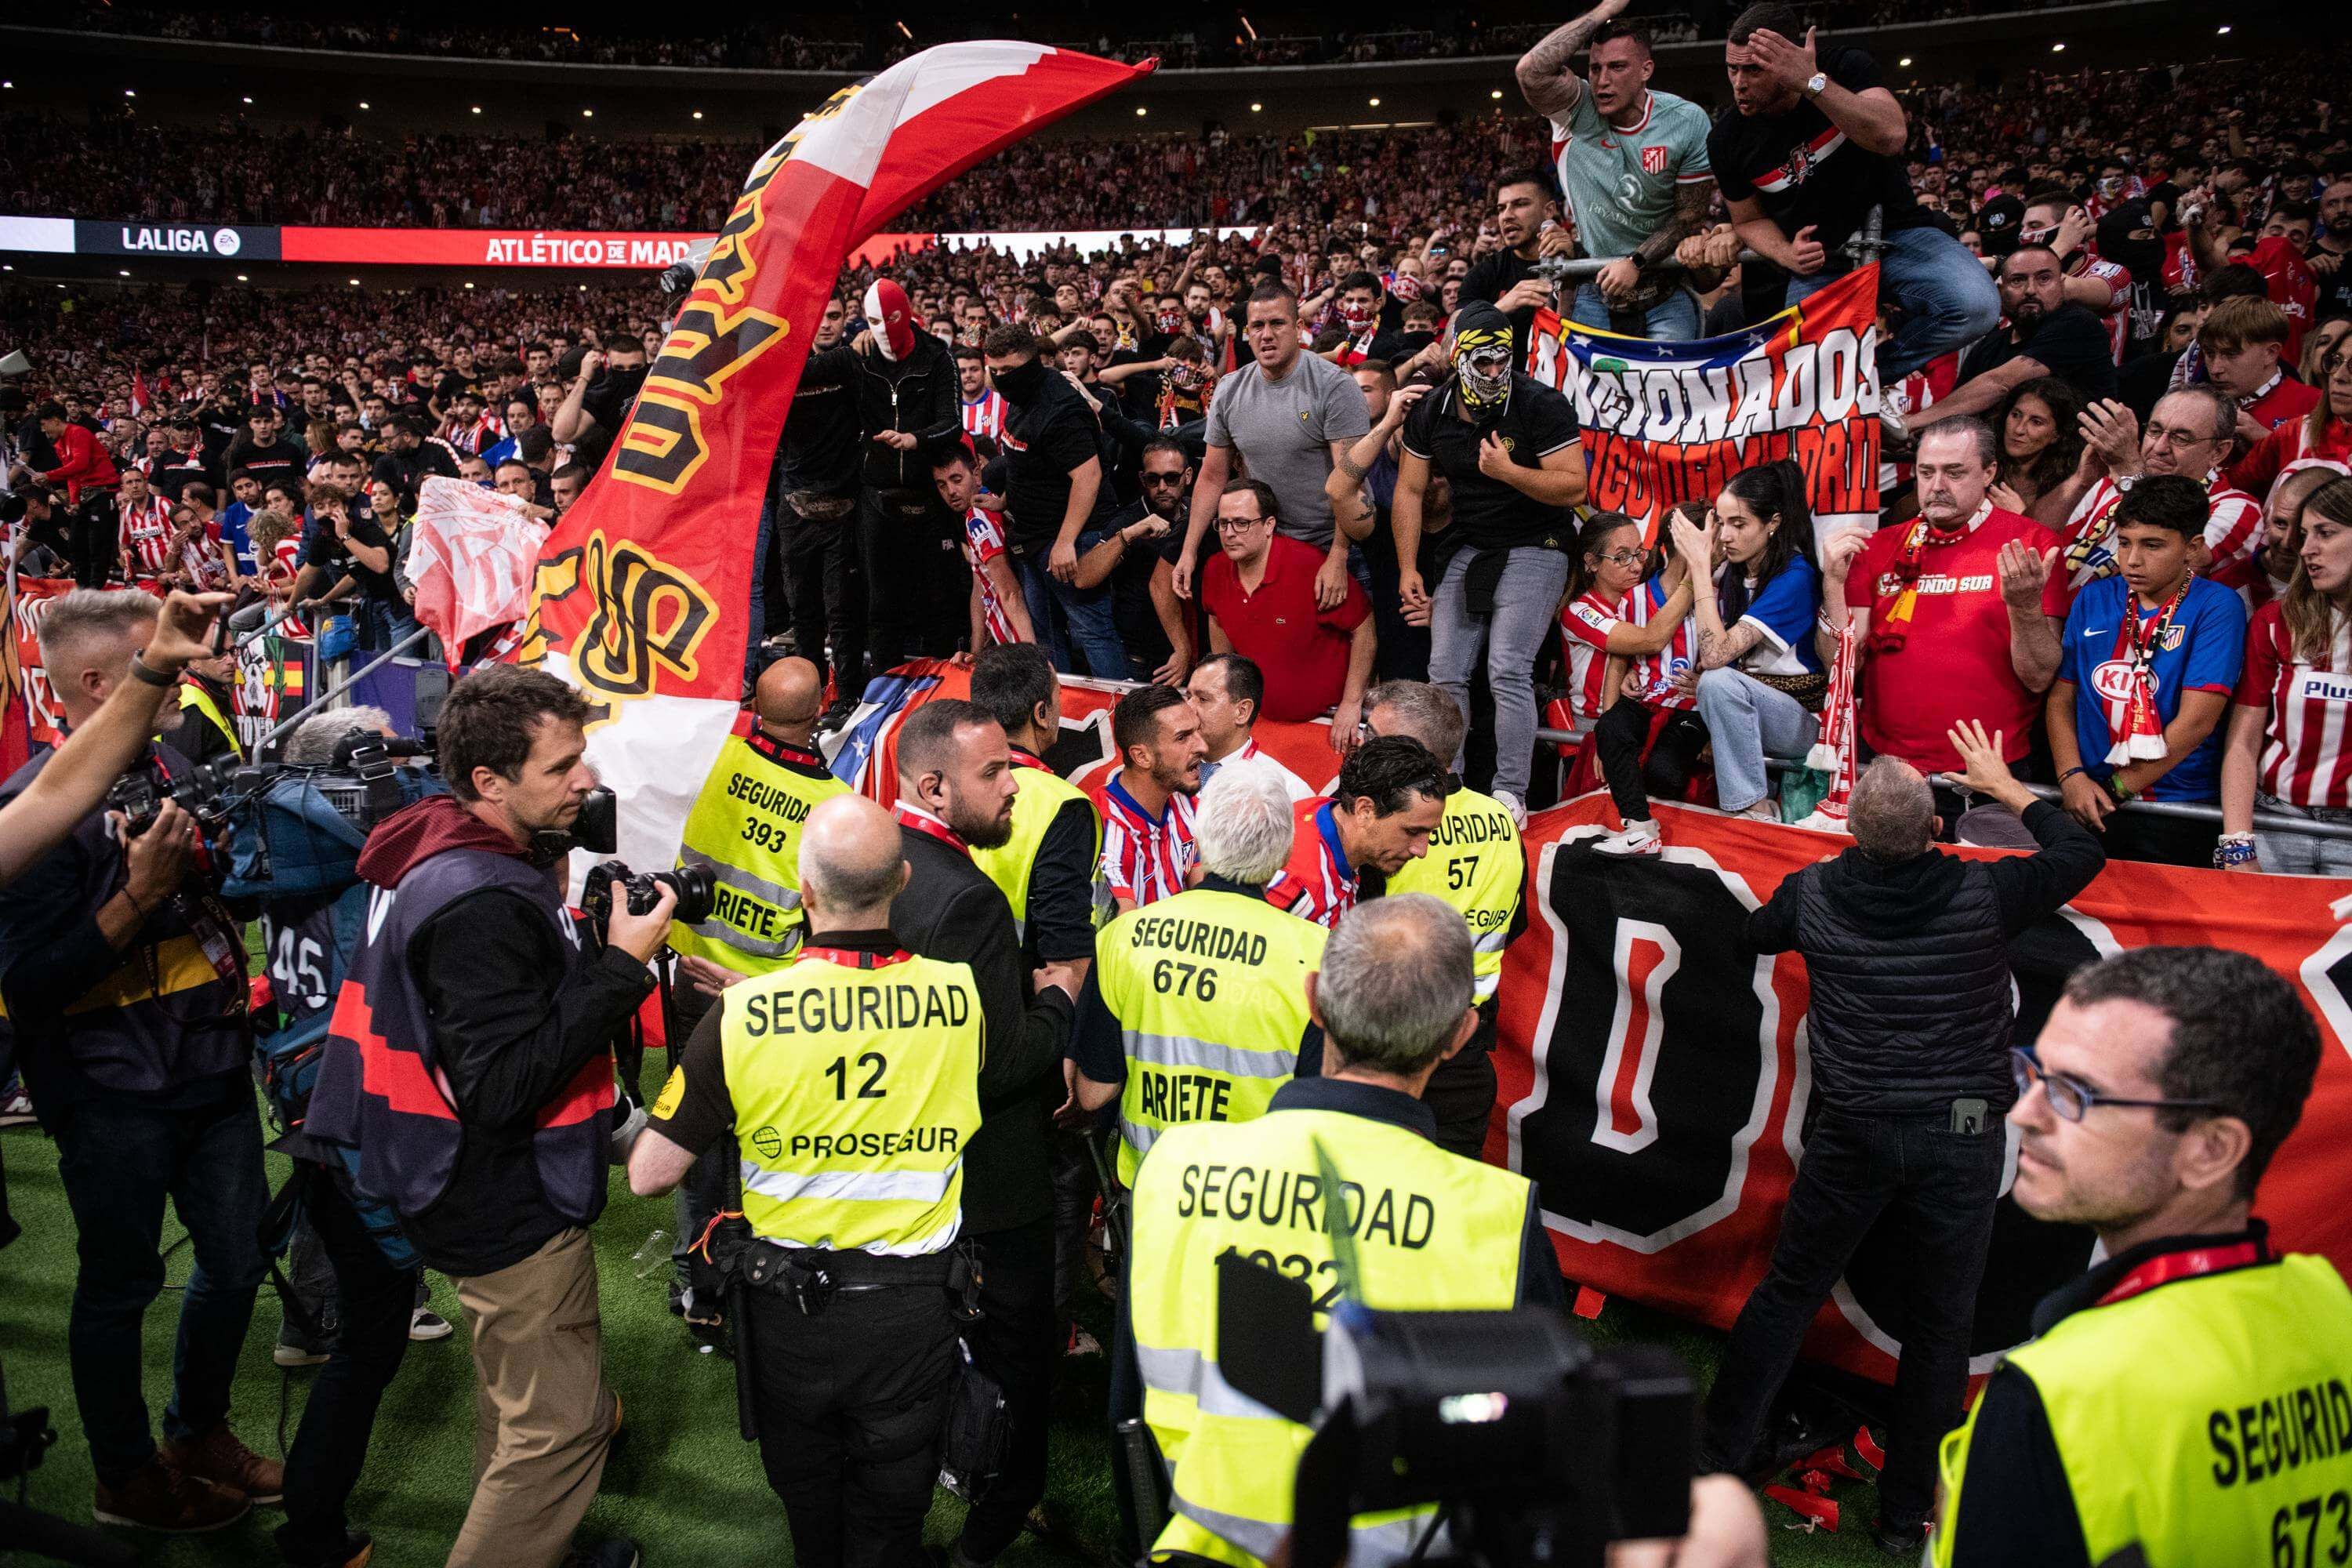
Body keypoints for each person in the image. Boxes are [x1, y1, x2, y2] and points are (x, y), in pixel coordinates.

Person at [1698, 720, 2103, 1556]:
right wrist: (2011, 787)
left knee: (1787, 1292)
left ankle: (1714, 1463)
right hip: (1960, 1132)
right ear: (1937, 829)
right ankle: (1904, 1514)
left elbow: (1751, 933)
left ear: (1850, 827)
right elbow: (2080, 850)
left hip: (1854, 1127)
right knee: (1941, 1325)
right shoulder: (1982, 893)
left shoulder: (1813, 894)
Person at [308, 666, 670, 1568]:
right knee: (558, 1429)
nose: (587, 781)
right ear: (488, 783)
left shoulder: (440, 844)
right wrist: (622, 966)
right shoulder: (479, 898)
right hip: (497, 1192)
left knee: (521, 1405)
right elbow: (504, 1085)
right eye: (562, 767)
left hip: (445, 1176)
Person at [1127, 895, 1563, 1568]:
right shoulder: (1500, 1215)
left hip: (1199, 1543)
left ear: (1314, 1001)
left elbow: (1131, 1397)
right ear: (1459, 1035)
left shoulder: (1176, 1163)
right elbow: (1534, 1448)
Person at [626, 794, 1002, 1568]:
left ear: (804, 889)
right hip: (913, 1315)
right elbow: (873, 1018)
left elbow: (649, 1173)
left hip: (789, 1312)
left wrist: (736, 1024)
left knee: (811, 1512)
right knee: (892, 1517)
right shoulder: (961, 999)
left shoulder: (742, 1017)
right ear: (900, 878)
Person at [0, 590, 276, 1534]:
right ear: (92, 682)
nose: (184, 671)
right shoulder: (29, 813)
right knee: (120, 1285)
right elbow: (26, 987)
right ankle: (122, 1475)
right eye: (157, 656)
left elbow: (217, 910)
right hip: (109, 1088)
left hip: (211, 1066)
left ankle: (195, 1432)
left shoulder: (171, 762)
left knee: (237, 1263)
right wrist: (134, 897)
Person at [1933, 948, 2351, 1568]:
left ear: (2211, 1150)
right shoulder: (2329, 1304)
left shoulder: (2058, 1396)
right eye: (2035, 1074)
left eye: (2076, 1093)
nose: (2025, 1112)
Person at [881, 699, 1079, 1568]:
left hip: (904, 1169)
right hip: (991, 1181)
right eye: (995, 771)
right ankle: (991, 1526)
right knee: (1013, 1355)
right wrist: (1059, 999)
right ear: (933, 785)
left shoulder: (870, 861)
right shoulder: (965, 897)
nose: (1014, 786)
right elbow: (999, 1067)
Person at [1708, 3, 1997, 381]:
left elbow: (1891, 135)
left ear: (1792, 59)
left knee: (1977, 307)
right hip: (1821, 260)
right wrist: (1786, 253)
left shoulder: (1842, 68)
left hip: (1899, 233)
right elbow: (1747, 219)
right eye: (1733, 68)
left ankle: (1871, 379)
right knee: (1801, 369)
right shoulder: (1727, 138)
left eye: (1754, 69)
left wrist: (1812, 85)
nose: (1739, 83)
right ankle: (1848, 388)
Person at [1070, 762, 1324, 1185]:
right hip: (1261, 1197)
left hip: (1156, 1189)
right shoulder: (1320, 954)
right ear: (1283, 851)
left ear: (1201, 839)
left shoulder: (1125, 937)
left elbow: (1093, 1092)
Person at [1396, 299, 1588, 821]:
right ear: (1459, 357)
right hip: (1472, 542)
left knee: (1507, 665)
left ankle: (1511, 794)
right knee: (1445, 668)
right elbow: (1410, 491)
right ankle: (1451, 784)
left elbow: (1574, 485)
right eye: (1484, 363)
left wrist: (1511, 473)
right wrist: (1409, 565)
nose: (1496, 372)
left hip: (1538, 540)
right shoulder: (1434, 409)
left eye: (1505, 361)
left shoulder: (1539, 404)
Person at [1824, 419, 2060, 798]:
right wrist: (1833, 588)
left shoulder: (2030, 543)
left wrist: (2025, 608)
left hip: (1989, 776)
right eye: (1926, 472)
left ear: (1989, 472)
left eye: (1954, 472)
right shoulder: (1880, 548)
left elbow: (2039, 677)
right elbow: (1843, 669)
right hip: (1886, 767)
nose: (1936, 486)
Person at [1599, 463, 1823, 852]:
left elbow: (1717, 655)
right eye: (1721, 523)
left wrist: (1701, 569)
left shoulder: (1796, 574)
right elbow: (1675, 636)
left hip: (1800, 722)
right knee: (1638, 722)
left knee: (1717, 682)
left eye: (1740, 524)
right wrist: (1628, 671)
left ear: (1772, 523)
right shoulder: (1733, 572)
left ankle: (1755, 809)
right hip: (1740, 706)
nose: (1727, 536)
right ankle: (1642, 826)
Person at [1363, 682, 1526, 1160]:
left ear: (1410, 753)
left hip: (1389, 1050)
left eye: (1376, 737)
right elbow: (1512, 927)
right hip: (1466, 1050)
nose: (1363, 745)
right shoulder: (1501, 822)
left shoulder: (1389, 831)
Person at [2049, 476, 2246, 866]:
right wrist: (2070, 777)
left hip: (2174, 806)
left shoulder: (2217, 606)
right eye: (2124, 543)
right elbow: (2060, 698)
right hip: (2087, 797)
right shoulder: (2094, 596)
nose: (2132, 560)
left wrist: (2116, 788)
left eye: (2152, 545)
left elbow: (2196, 724)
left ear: (2192, 548)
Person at [1515, 0, 1717, 339]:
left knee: (1668, 387)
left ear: (1646, 70)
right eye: (1595, 69)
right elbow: (1530, 71)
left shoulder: (1686, 121)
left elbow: (1690, 215)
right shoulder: (1575, 112)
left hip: (1664, 289)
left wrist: (1635, 262)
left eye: (1617, 67)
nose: (1602, 81)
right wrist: (1600, 13)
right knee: (1591, 391)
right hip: (1596, 289)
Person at [0, 588, 227, 888]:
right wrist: (142, 894)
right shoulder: (27, 801)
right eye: (150, 664)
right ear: (96, 684)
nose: (181, 677)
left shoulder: (170, 761)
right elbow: (40, 937)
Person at [1174, 282, 1373, 611]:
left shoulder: (1335, 387)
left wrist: (1339, 555)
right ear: (1247, 333)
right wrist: (1189, 549)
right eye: (1257, 326)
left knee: (1339, 654)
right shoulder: (1230, 389)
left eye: (1277, 324)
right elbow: (1211, 476)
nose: (1266, 334)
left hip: (1329, 544)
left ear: (1298, 328)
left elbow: (1349, 483)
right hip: (1265, 547)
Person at [2220, 474, 2352, 874]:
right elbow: (2243, 742)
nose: (2306, 549)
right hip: (2273, 825)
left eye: (2325, 533)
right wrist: (2237, 847)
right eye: (2306, 534)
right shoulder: (2276, 621)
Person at [985, 323, 1127, 680]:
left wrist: (1066, 541)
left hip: (1067, 540)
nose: (1001, 378)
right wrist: (1005, 501)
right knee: (1046, 636)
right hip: (1032, 539)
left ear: (1032, 364)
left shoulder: (1059, 407)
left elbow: (1088, 475)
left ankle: (1116, 716)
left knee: (1092, 632)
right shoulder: (1022, 395)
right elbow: (1026, 460)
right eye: (995, 370)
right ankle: (1063, 713)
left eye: (1009, 370)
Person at [1198, 477, 1374, 747]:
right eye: (1223, 523)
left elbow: (1363, 628)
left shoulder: (1309, 565)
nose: (1230, 533)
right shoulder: (1215, 568)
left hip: (1328, 726)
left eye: (1242, 523)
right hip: (1259, 725)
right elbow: (1216, 617)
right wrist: (1226, 682)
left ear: (1269, 525)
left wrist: (1352, 703)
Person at [851, 279, 966, 682]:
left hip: (927, 492)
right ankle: (882, 690)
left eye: (891, 318)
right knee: (880, 605)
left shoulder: (938, 356)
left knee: (939, 599)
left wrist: (915, 440)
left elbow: (953, 422)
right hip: (877, 495)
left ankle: (938, 688)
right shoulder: (861, 355)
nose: (882, 329)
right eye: (873, 321)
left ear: (909, 311)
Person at [1266, 735, 1450, 929]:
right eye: (1412, 832)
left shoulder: (1324, 811)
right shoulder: (1293, 886)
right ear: (1365, 811)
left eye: (1429, 833)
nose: (1421, 851)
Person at [1933, 247, 2122, 423]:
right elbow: (1954, 413)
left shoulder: (2079, 325)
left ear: (2062, 286)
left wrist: (1910, 424)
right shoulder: (1989, 345)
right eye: (2018, 280)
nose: (2031, 290)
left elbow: (1999, 383)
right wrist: (1919, 433)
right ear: (2001, 290)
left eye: (2044, 279)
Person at [1555, 509, 1697, 742]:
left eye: (1639, 553)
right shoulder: (1579, 612)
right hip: (1595, 727)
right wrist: (1695, 575)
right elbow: (1652, 640)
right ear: (1592, 563)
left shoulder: (1645, 598)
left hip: (1649, 716)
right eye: (1622, 557)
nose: (1637, 567)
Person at [1093, 682, 1209, 915]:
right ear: (1141, 756)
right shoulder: (1106, 830)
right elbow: (1121, 936)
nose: (1202, 746)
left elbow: (1203, 898)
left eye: (1197, 731)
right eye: (1182, 738)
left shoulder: (1187, 803)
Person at [1457, 167, 1578, 361]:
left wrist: (1573, 271)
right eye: (1501, 208)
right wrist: (1499, 309)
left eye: (1520, 204)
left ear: (1549, 210)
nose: (1507, 216)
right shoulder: (1486, 272)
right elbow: (1450, 346)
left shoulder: (1581, 258)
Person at [930, 443, 1036, 651]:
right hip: (1011, 637)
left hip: (1019, 639)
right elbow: (980, 585)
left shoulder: (979, 518)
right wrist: (975, 653)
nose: (951, 491)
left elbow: (1010, 591)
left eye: (957, 480)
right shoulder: (977, 511)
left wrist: (1031, 655)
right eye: (942, 485)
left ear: (977, 475)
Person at [11, 400, 120, 587]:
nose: (45, 431)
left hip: (104, 492)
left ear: (54, 420)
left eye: (44, 426)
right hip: (86, 496)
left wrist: (49, 475)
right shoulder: (60, 444)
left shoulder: (79, 433)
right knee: (76, 542)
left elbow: (80, 464)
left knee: (97, 543)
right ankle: (82, 584)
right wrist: (75, 500)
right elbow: (72, 474)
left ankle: (96, 587)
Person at [1186, 652, 1315, 801]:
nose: (1188, 708)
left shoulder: (1288, 791)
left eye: (1203, 699)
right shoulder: (1166, 770)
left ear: (1242, 711)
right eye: (1189, 697)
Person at [1988, 376, 2088, 524]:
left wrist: (2021, 519)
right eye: (2016, 415)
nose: (2019, 429)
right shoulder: (1979, 465)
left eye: (2036, 422)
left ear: (2057, 435)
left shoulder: (2069, 489)